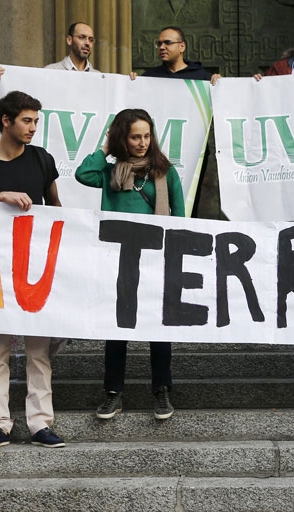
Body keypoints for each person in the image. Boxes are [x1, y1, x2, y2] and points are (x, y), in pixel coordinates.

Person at [0, 91, 66, 450]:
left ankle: (40, 424)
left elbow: (56, 207)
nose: (33, 127)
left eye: (36, 121)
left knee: (39, 351)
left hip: (35, 268)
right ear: (6, 121)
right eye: (26, 120)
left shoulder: (42, 160)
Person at [75, 108, 184, 421]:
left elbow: (179, 216)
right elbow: (83, 174)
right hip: (118, 260)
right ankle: (113, 393)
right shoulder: (110, 172)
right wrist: (106, 146)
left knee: (158, 325)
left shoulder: (166, 172)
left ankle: (161, 390)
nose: (142, 143)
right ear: (122, 138)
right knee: (117, 326)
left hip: (155, 259)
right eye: (135, 137)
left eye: (147, 136)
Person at [0, 21, 98, 82]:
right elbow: (30, 92)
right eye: (82, 37)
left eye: (91, 40)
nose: (87, 43)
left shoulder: (100, 78)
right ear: (69, 40)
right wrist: (8, 78)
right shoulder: (50, 71)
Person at [132, 26, 220, 85]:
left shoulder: (201, 77)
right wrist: (132, 82)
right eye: (159, 44)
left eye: (167, 42)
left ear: (182, 47)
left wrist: (220, 84)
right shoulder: (149, 77)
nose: (161, 47)